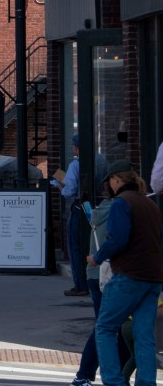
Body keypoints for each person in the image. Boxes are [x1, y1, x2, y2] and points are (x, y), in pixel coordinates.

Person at [87, 159, 163, 386]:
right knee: (145, 336)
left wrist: (96, 258)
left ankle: (113, 381)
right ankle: (146, 383)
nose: (109, 185)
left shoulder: (122, 203)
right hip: (153, 277)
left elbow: (117, 239)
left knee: (105, 327)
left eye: (109, 181)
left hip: (129, 275)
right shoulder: (151, 205)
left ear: (116, 180)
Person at [71, 181, 131, 386]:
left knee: (106, 326)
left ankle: (86, 375)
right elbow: (117, 241)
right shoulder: (121, 208)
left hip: (96, 274)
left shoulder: (101, 209)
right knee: (112, 327)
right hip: (111, 273)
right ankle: (93, 375)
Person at [54, 135, 90, 297]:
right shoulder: (101, 160)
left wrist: (60, 187)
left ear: (76, 148)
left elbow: (70, 190)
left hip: (78, 206)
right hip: (95, 206)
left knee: (75, 247)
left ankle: (80, 284)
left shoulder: (75, 165)